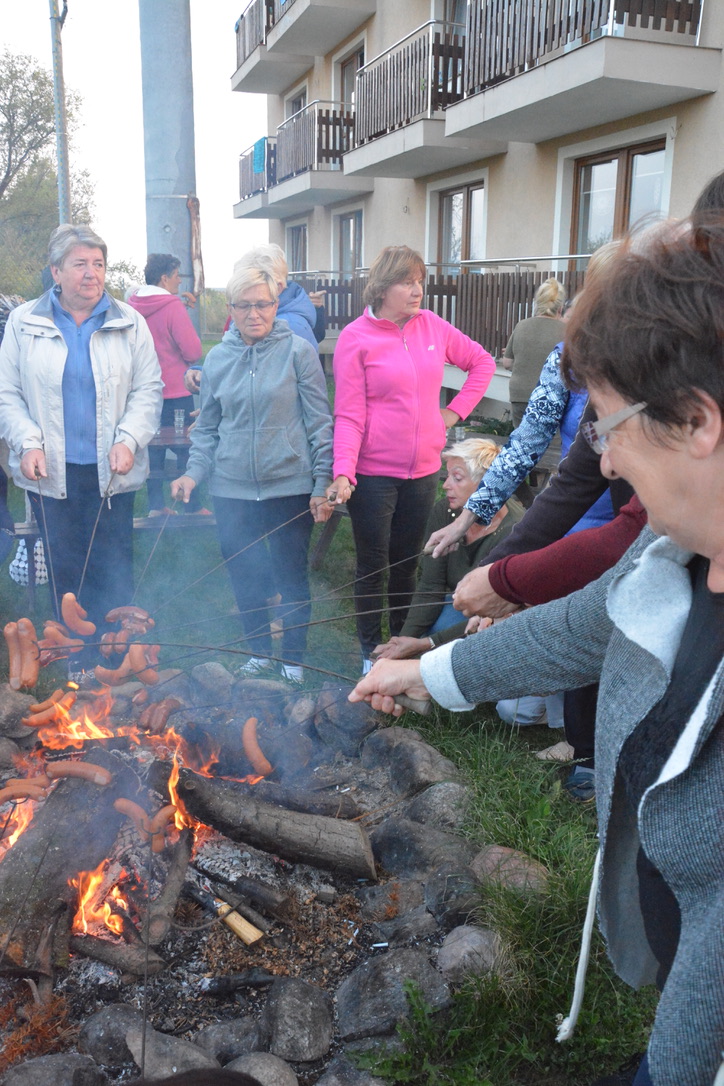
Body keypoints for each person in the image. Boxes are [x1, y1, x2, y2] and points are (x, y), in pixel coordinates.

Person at [349, 215, 724, 1086]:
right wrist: (430, 672)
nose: (607, 464)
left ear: (698, 421)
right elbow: (590, 620)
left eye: (606, 427)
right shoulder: (675, 550)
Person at [326, 245, 496, 671]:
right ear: (383, 288)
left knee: (406, 565)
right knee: (373, 565)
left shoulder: (432, 326)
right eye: (406, 282)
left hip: (423, 472)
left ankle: (399, 647)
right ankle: (369, 652)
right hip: (372, 474)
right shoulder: (356, 338)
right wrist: (343, 471)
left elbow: (482, 363)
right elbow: (348, 414)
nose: (417, 290)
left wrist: (453, 412)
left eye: (419, 281)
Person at [0, 224, 162, 655]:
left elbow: (149, 389)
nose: (92, 273)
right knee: (64, 566)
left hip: (111, 470)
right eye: (80, 264)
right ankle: (74, 661)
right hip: (50, 471)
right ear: (56, 271)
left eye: (98, 264)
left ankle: (114, 657)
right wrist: (27, 443)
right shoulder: (23, 322)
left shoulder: (130, 322)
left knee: (113, 564)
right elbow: (6, 393)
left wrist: (129, 439)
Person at [171, 261, 333, 682]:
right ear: (231, 309)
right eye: (243, 305)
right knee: (245, 577)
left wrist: (321, 483)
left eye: (262, 304)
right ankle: (259, 654)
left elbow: (319, 423)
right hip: (231, 490)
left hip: (289, 487)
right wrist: (192, 474)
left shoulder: (298, 352)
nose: (253, 313)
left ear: (276, 305)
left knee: (291, 577)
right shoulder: (218, 359)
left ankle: (294, 663)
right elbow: (207, 428)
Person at [127, 253, 207, 515]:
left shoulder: (131, 305)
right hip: (175, 390)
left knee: (152, 450)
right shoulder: (172, 306)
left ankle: (156, 506)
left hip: (143, 391)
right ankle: (191, 506)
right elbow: (193, 351)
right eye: (176, 276)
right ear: (164, 278)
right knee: (185, 448)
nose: (180, 282)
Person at [502, 278, 566, 427]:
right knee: (550, 439)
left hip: (520, 394)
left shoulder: (522, 325)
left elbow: (507, 362)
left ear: (537, 303)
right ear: (560, 307)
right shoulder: (566, 331)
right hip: (551, 396)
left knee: (522, 437)